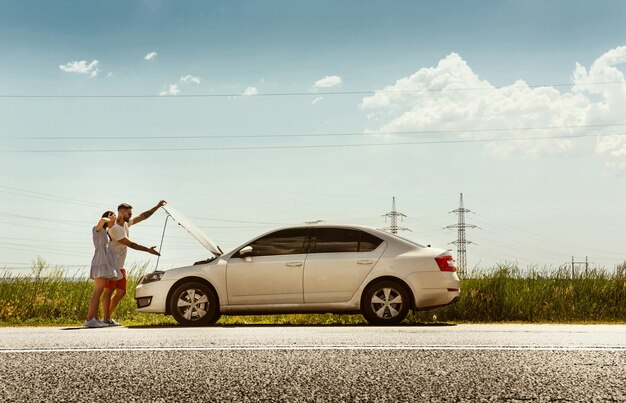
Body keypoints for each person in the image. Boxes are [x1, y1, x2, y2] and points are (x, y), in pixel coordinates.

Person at [102, 200, 166, 326]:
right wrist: (148, 250)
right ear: (121, 213)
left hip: (119, 265)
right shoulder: (115, 229)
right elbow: (131, 244)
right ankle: (105, 318)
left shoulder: (125, 224)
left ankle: (107, 317)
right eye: (128, 213)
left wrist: (157, 206)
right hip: (111, 264)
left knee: (121, 292)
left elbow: (143, 216)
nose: (131, 215)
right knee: (109, 292)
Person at [85, 210, 121, 328]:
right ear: (108, 218)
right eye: (113, 221)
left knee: (98, 292)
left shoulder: (105, 232)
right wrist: (108, 219)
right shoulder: (98, 229)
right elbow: (101, 221)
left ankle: (95, 318)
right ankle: (90, 319)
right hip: (100, 263)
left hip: (103, 264)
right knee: (97, 292)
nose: (113, 223)